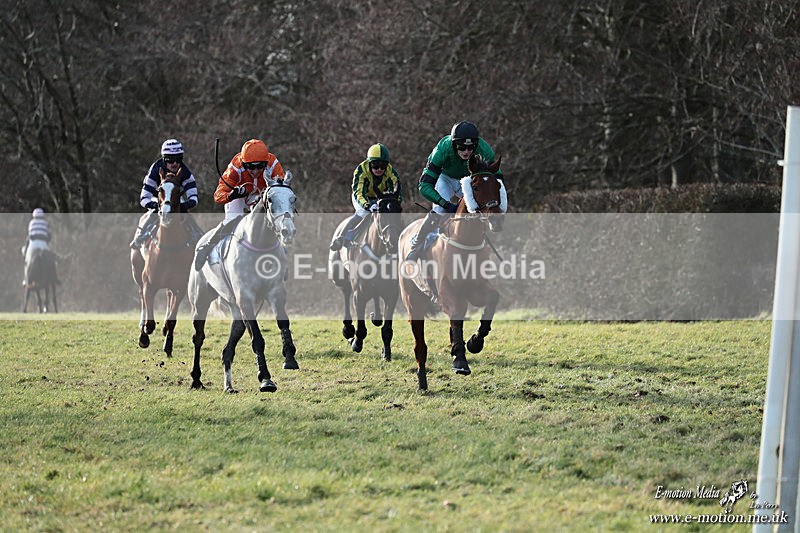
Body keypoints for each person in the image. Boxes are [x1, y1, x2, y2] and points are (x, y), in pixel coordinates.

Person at [405, 121, 505, 261]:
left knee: (478, 209)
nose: (466, 152)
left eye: (470, 148)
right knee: (440, 210)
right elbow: (424, 186)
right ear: (454, 145)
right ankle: (416, 247)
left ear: (476, 145)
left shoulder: (485, 150)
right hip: (444, 179)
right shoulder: (443, 149)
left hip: (468, 180)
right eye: (462, 147)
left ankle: (482, 245)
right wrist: (445, 204)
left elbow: (497, 181)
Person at [193, 138, 287, 270]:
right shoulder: (235, 168)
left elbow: (281, 190)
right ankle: (208, 246)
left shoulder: (273, 164)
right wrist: (231, 195)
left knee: (273, 219)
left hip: (261, 195)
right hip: (239, 196)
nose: (255, 171)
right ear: (243, 164)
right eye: (250, 167)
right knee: (232, 219)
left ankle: (281, 253)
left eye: (260, 166)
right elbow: (218, 195)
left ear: (266, 162)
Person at [130, 139, 203, 249]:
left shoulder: (184, 170)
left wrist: (187, 204)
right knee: (153, 213)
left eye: (178, 159)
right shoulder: (155, 169)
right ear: (164, 159)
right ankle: (141, 236)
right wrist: (154, 205)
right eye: (170, 160)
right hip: (158, 198)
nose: (174, 164)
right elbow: (144, 197)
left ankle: (197, 234)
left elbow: (193, 194)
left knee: (185, 212)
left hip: (174, 198)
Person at [329, 143, 402, 251]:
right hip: (363, 198)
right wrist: (367, 205)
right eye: (375, 165)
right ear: (369, 164)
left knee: (392, 214)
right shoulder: (361, 170)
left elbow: (397, 193)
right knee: (363, 213)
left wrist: (394, 204)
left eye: (383, 166)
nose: (379, 169)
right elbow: (358, 192)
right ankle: (342, 237)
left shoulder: (391, 172)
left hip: (381, 198)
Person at [22, 208, 51, 275]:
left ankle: (25, 279)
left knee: (26, 260)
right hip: (44, 244)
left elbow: (29, 235)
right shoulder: (46, 223)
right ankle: (53, 277)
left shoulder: (31, 223)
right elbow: (49, 235)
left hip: (33, 244)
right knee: (51, 258)